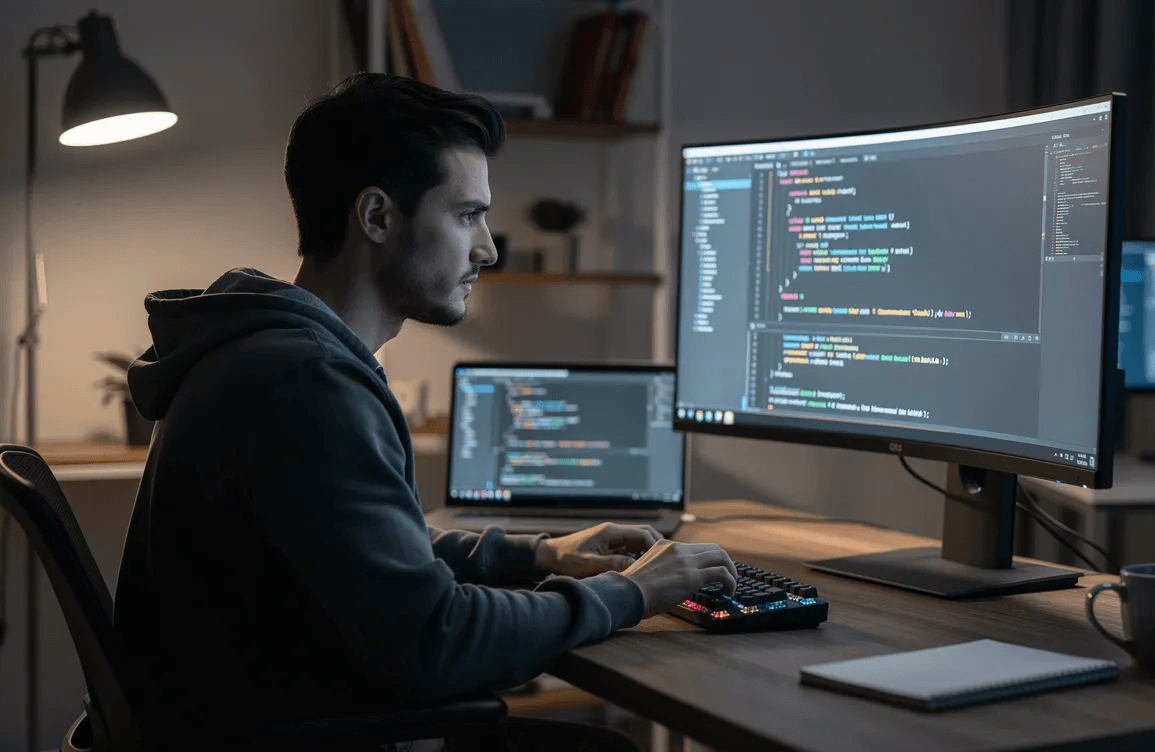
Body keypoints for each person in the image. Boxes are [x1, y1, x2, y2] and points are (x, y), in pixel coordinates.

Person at [113, 73, 737, 752]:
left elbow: (362, 554)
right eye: (467, 214)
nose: (488, 248)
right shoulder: (306, 380)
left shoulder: (270, 355)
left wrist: (542, 554)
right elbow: (433, 640)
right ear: (378, 217)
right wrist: (634, 595)